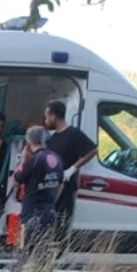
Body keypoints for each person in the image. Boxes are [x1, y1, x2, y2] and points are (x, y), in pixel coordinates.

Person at [43, 99, 96, 238]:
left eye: (47, 116)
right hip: (52, 187)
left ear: (54, 116)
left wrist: (72, 169)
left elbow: (92, 150)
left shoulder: (73, 134)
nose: (46, 120)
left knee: (61, 225)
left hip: (65, 188)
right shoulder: (54, 137)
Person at [12, 124, 65, 265]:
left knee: (24, 249)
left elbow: (16, 181)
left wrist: (23, 159)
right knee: (42, 250)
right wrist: (51, 202)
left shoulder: (32, 161)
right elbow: (60, 184)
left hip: (30, 213)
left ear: (28, 143)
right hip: (48, 212)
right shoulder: (57, 158)